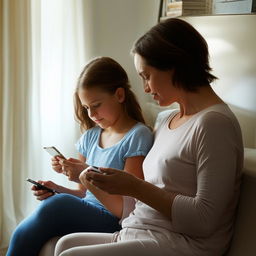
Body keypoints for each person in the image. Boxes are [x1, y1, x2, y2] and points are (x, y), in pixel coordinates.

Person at [53, 18, 244, 256]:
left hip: (183, 244)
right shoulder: (165, 120)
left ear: (173, 65)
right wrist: (98, 179)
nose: (144, 88)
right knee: (65, 244)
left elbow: (205, 220)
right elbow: (137, 206)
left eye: (146, 75)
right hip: (142, 230)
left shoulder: (215, 123)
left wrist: (135, 187)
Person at [6, 57, 153, 256]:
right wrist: (56, 189)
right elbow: (84, 195)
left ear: (119, 95)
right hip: (90, 212)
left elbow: (127, 209)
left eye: (96, 105)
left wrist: (85, 173)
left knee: (57, 206)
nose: (91, 114)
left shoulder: (138, 136)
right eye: (86, 108)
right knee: (54, 203)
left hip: (115, 219)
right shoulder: (89, 137)